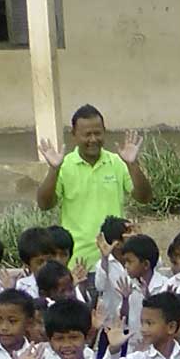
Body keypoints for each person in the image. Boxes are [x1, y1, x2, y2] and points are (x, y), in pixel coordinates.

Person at [33, 104, 152, 265]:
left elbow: (144, 198)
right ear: (74, 135)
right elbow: (44, 204)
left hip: (114, 259)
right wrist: (54, 169)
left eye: (98, 133)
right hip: (78, 262)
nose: (93, 139)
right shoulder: (64, 166)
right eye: (87, 134)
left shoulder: (117, 162)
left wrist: (132, 164)